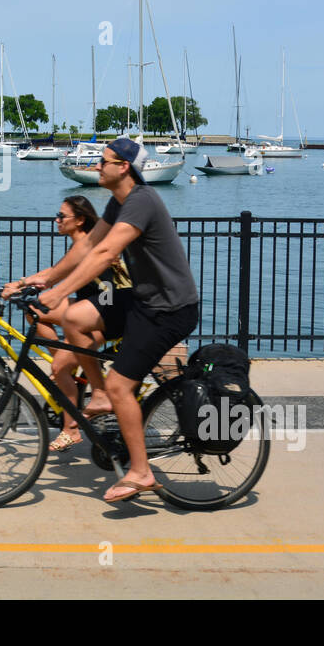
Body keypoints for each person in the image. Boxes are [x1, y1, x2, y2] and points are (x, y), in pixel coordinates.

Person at [33, 137, 199, 503]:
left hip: (169, 308)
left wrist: (59, 292)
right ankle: (102, 394)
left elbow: (107, 251)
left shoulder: (141, 201)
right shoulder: (117, 201)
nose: (96, 166)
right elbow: (88, 246)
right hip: (143, 299)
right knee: (76, 319)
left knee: (125, 385)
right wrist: (42, 279)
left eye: (102, 161)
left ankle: (141, 471)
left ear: (123, 166)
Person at [3, 196, 131, 452]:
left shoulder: (89, 246)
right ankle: (67, 365)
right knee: (34, 310)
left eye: (62, 216)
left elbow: (53, 277)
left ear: (80, 219)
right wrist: (21, 283)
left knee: (60, 366)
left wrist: (24, 284)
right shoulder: (80, 245)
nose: (57, 220)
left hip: (105, 318)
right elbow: (53, 272)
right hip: (94, 310)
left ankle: (70, 429)